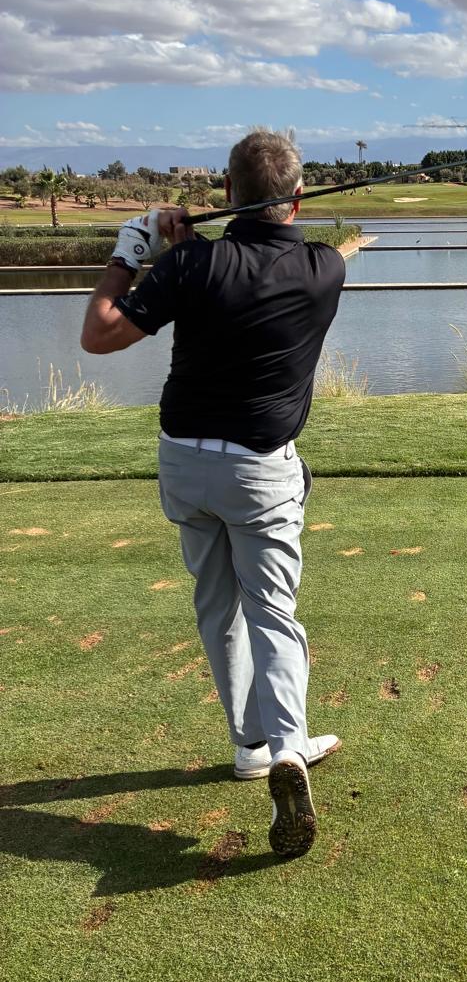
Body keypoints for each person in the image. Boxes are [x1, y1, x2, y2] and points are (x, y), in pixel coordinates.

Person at [80, 128, 346, 859]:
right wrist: (187, 252)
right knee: (272, 611)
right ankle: (287, 748)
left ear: (226, 193)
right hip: (261, 472)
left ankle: (249, 746)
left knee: (216, 604)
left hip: (185, 464)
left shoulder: (189, 264)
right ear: (297, 199)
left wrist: (133, 253)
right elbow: (255, 268)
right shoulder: (324, 269)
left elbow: (99, 335)